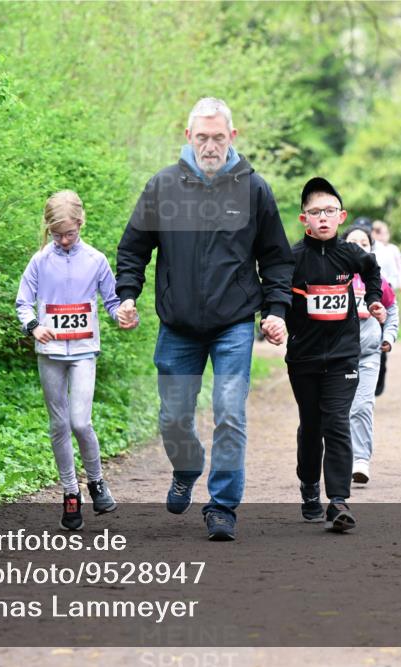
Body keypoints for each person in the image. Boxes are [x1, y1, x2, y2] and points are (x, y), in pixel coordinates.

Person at [115, 97, 294, 541]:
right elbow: (134, 247)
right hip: (178, 326)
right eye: (202, 137)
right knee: (173, 418)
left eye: (218, 137)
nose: (210, 145)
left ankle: (223, 506)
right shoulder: (163, 187)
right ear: (188, 136)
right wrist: (127, 295)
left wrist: (275, 311)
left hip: (234, 324)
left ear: (232, 137)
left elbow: (276, 260)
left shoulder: (254, 189)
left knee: (230, 413)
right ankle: (187, 465)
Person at [16, 190, 136, 531]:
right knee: (58, 425)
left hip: (84, 351)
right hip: (51, 354)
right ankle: (70, 492)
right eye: (57, 235)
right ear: (49, 230)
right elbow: (23, 302)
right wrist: (34, 326)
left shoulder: (95, 260)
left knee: (80, 422)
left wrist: (124, 314)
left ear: (81, 224)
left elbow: (113, 301)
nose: (64, 240)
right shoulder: (40, 260)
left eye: (70, 233)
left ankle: (96, 481)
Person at [285, 177, 385, 532]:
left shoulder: (351, 254)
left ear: (341, 216)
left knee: (337, 422)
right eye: (315, 212)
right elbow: (277, 293)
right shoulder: (292, 257)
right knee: (311, 426)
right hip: (303, 358)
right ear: (304, 219)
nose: (323, 218)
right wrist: (276, 321)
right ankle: (309, 487)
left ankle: (338, 500)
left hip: (344, 356)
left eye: (329, 211)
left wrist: (373, 299)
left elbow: (373, 270)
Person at [343, 225, 400, 485]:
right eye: (352, 242)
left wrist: (388, 336)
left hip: (368, 356)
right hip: (336, 358)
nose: (358, 247)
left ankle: (361, 460)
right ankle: (338, 459)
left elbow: (392, 309)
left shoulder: (377, 280)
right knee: (338, 411)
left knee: (363, 405)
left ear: (371, 249)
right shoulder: (333, 277)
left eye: (363, 244)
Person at [370, 220, 401, 397]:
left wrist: (399, 284)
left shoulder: (390, 251)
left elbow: (398, 270)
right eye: (377, 232)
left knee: (380, 338)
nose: (380, 235)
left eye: (382, 231)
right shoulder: (364, 250)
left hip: (384, 295)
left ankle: (376, 382)